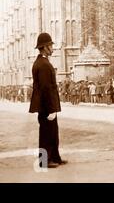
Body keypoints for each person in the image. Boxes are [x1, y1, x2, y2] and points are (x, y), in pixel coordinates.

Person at [29, 33, 67, 168]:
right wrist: (51, 108)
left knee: (52, 131)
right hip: (46, 106)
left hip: (46, 105)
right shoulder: (43, 64)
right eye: (50, 45)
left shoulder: (42, 62)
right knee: (46, 133)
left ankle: (55, 157)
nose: (52, 48)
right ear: (45, 47)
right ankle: (44, 161)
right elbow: (46, 88)